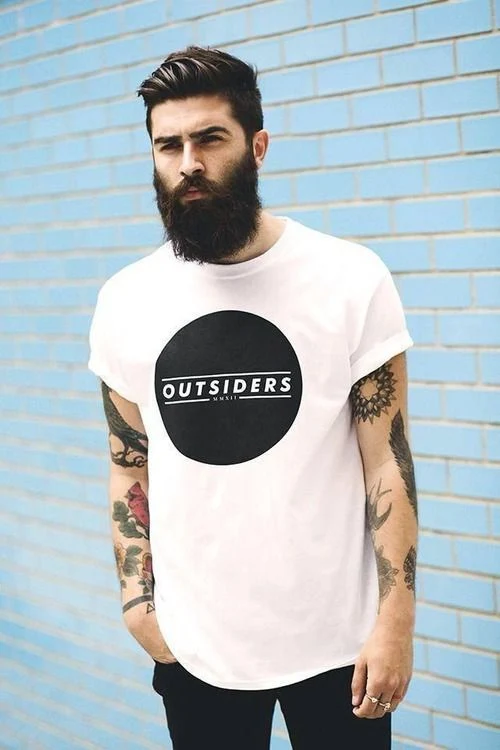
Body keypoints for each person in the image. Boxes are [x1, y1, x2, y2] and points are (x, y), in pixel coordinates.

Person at [87, 45, 418, 749]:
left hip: (340, 650)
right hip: (196, 648)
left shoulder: (349, 279)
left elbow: (387, 462)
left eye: (210, 139)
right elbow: (128, 462)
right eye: (168, 145)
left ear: (257, 146)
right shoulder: (125, 301)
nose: (189, 164)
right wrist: (138, 605)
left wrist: (395, 622)